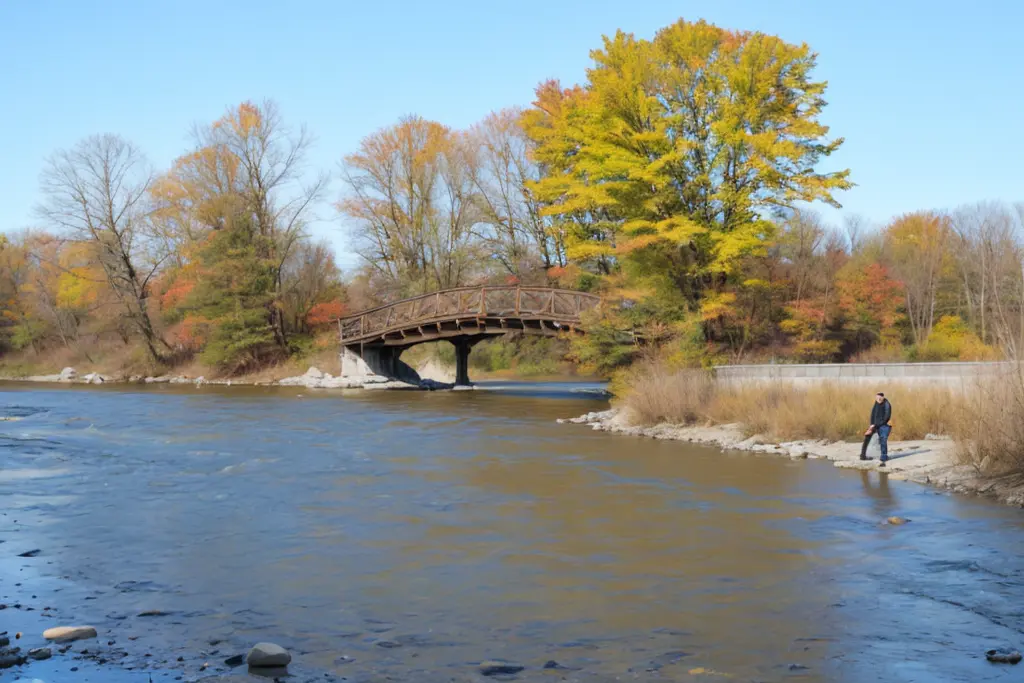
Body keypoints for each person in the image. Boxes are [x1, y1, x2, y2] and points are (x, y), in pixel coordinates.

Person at [860, 392, 892, 466]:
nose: (879, 399)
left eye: (880, 398)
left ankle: (884, 456)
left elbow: (887, 417)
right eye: (877, 398)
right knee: (867, 437)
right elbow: (873, 414)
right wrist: (871, 425)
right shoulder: (876, 403)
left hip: (883, 425)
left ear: (883, 397)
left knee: (883, 439)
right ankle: (863, 455)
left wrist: (877, 425)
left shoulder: (887, 404)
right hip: (875, 425)